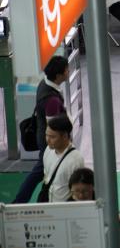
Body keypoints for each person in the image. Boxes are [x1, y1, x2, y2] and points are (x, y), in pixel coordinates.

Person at [13, 55, 68, 203]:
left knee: (41, 173)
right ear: (59, 75)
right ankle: (22, 202)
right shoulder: (52, 100)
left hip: (45, 137)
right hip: (50, 143)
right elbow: (54, 128)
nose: (68, 72)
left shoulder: (45, 83)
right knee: (42, 173)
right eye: (66, 70)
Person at [68, 168, 120, 248]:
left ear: (93, 188)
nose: (81, 195)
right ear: (70, 189)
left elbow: (110, 212)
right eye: (76, 191)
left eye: (85, 191)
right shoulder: (65, 207)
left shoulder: (100, 201)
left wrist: (118, 217)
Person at [42, 115, 85, 202]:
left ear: (65, 136)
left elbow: (78, 192)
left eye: (52, 137)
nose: (47, 139)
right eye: (47, 135)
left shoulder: (76, 160)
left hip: (65, 210)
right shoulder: (48, 150)